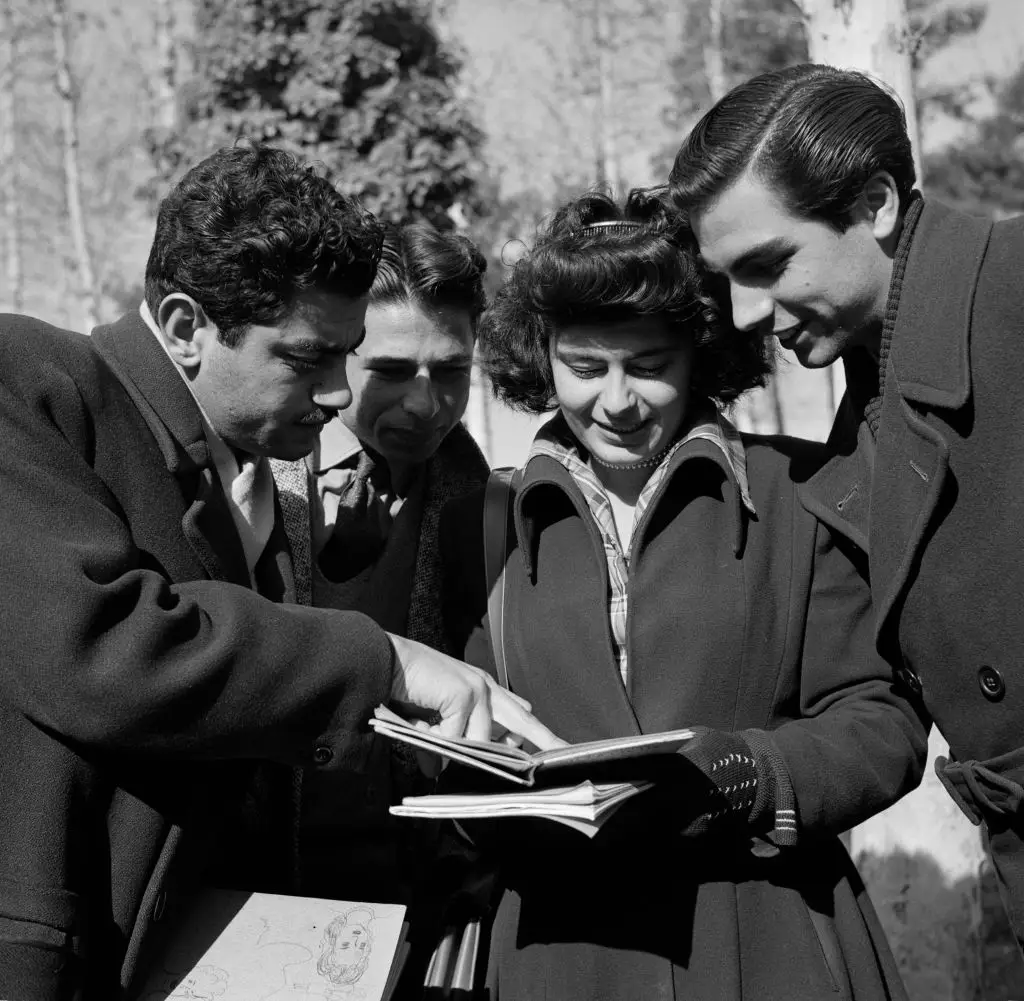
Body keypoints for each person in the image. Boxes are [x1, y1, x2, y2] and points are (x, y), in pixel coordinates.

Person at [0, 142, 552, 1001]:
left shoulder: (239, 467)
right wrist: (388, 660)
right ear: (185, 328)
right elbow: (103, 649)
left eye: (346, 355)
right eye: (306, 359)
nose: (339, 393)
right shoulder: (29, 381)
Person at [438, 190, 928, 999]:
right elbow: (456, 736)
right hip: (561, 957)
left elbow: (883, 717)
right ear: (541, 354)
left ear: (701, 351)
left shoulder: (802, 490)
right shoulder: (479, 525)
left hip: (768, 942)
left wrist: (755, 773)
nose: (617, 402)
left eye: (650, 366)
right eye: (585, 367)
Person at [669, 61, 1024, 946]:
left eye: (767, 263)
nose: (745, 313)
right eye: (727, 278)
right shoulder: (865, 421)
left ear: (875, 206)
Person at [268, 223, 491, 991]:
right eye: (392, 370)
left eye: (452, 370)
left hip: (411, 881)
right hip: (266, 884)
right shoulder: (261, 469)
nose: (428, 404)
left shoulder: (473, 489)